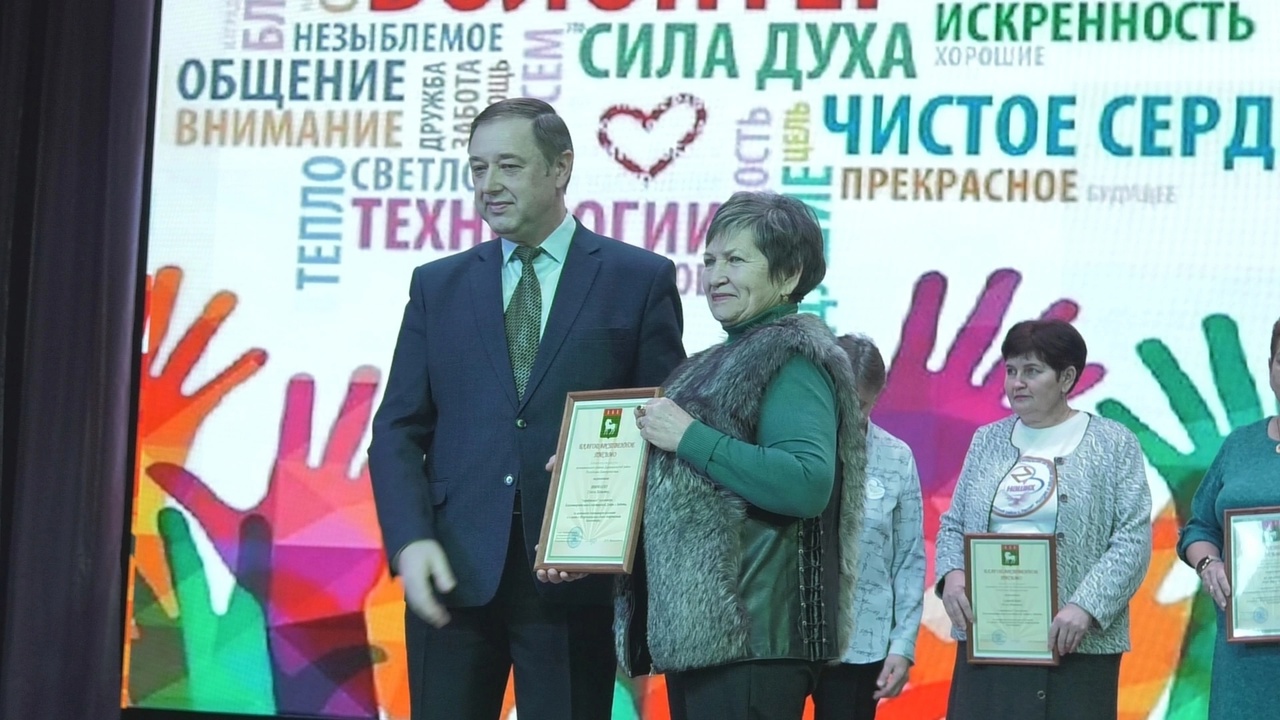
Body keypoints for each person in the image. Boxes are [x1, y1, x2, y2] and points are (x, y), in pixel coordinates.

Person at [367, 98, 686, 720]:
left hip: (575, 585)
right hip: (452, 574)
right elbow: (398, 430)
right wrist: (409, 540)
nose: (488, 185)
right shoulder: (437, 285)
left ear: (560, 167)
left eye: (508, 166)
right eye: (477, 168)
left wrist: (602, 533)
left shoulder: (637, 278)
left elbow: (659, 428)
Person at [607, 191, 868, 720]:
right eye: (709, 261)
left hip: (753, 642)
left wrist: (691, 437)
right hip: (707, 642)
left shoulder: (792, 357)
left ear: (789, 274)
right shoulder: (710, 363)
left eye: (736, 260)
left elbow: (805, 482)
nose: (716, 276)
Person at [934, 319, 1152, 720]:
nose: (1017, 383)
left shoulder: (1113, 442)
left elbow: (1132, 539)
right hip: (992, 637)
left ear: (1066, 377)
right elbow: (953, 524)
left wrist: (1085, 607)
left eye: (1032, 371)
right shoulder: (987, 440)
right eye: (1011, 370)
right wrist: (953, 576)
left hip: (1076, 643)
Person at [812, 334, 925, 720]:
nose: (844, 415)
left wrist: (903, 644)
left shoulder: (896, 458)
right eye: (835, 400)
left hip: (862, 642)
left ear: (877, 398)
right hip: (787, 640)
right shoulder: (787, 448)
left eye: (857, 405)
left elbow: (909, 559)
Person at [1179, 317, 1280, 719]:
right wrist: (1208, 563)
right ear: (1270, 368)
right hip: (1244, 654)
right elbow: (1199, 527)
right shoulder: (1240, 444)